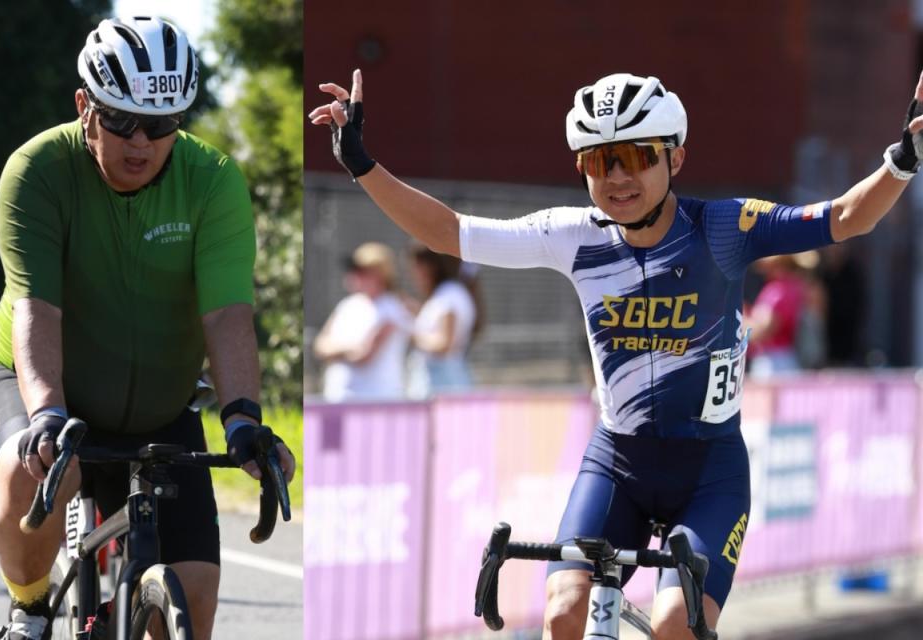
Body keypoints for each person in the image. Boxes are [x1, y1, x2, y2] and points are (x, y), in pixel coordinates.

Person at [310, 68, 923, 639]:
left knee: (675, 624)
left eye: (635, 157)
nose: (616, 178)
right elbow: (449, 232)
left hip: (709, 470)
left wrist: (904, 159)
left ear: (675, 157)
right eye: (599, 161)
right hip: (618, 464)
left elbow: (845, 216)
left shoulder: (726, 227)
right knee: (563, 611)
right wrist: (362, 164)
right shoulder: (574, 236)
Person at [0, 17, 296, 640]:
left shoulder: (212, 180)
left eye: (162, 124)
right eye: (121, 120)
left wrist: (243, 419)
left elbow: (227, 312)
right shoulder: (36, 170)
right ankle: (29, 608)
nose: (140, 141)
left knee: (193, 607)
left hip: (157, 401)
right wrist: (45, 417)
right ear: (83, 107)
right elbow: (37, 306)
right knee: (38, 470)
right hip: (33, 377)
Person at [313, 242, 412, 400]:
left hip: (377, 401)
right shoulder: (346, 305)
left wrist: (336, 349)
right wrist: (349, 348)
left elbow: (363, 356)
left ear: (379, 274)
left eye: (362, 271)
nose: (354, 275)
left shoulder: (392, 309)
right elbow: (320, 346)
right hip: (337, 397)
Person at [406, 245, 481, 397]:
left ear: (429, 267)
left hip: (443, 386)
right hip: (439, 384)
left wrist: (410, 334)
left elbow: (443, 344)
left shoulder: (449, 295)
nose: (413, 274)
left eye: (416, 266)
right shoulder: (446, 295)